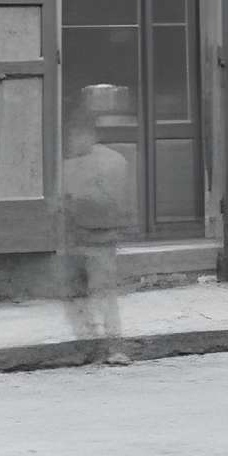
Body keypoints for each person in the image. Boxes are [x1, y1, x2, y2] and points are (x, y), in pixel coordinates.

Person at [58, 84, 136, 366]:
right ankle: (87, 344)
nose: (72, 141)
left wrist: (75, 198)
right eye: (68, 135)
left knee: (103, 292)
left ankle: (114, 345)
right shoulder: (61, 165)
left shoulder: (111, 162)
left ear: (90, 134)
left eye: (77, 134)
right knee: (73, 295)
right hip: (69, 238)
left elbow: (112, 202)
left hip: (100, 239)